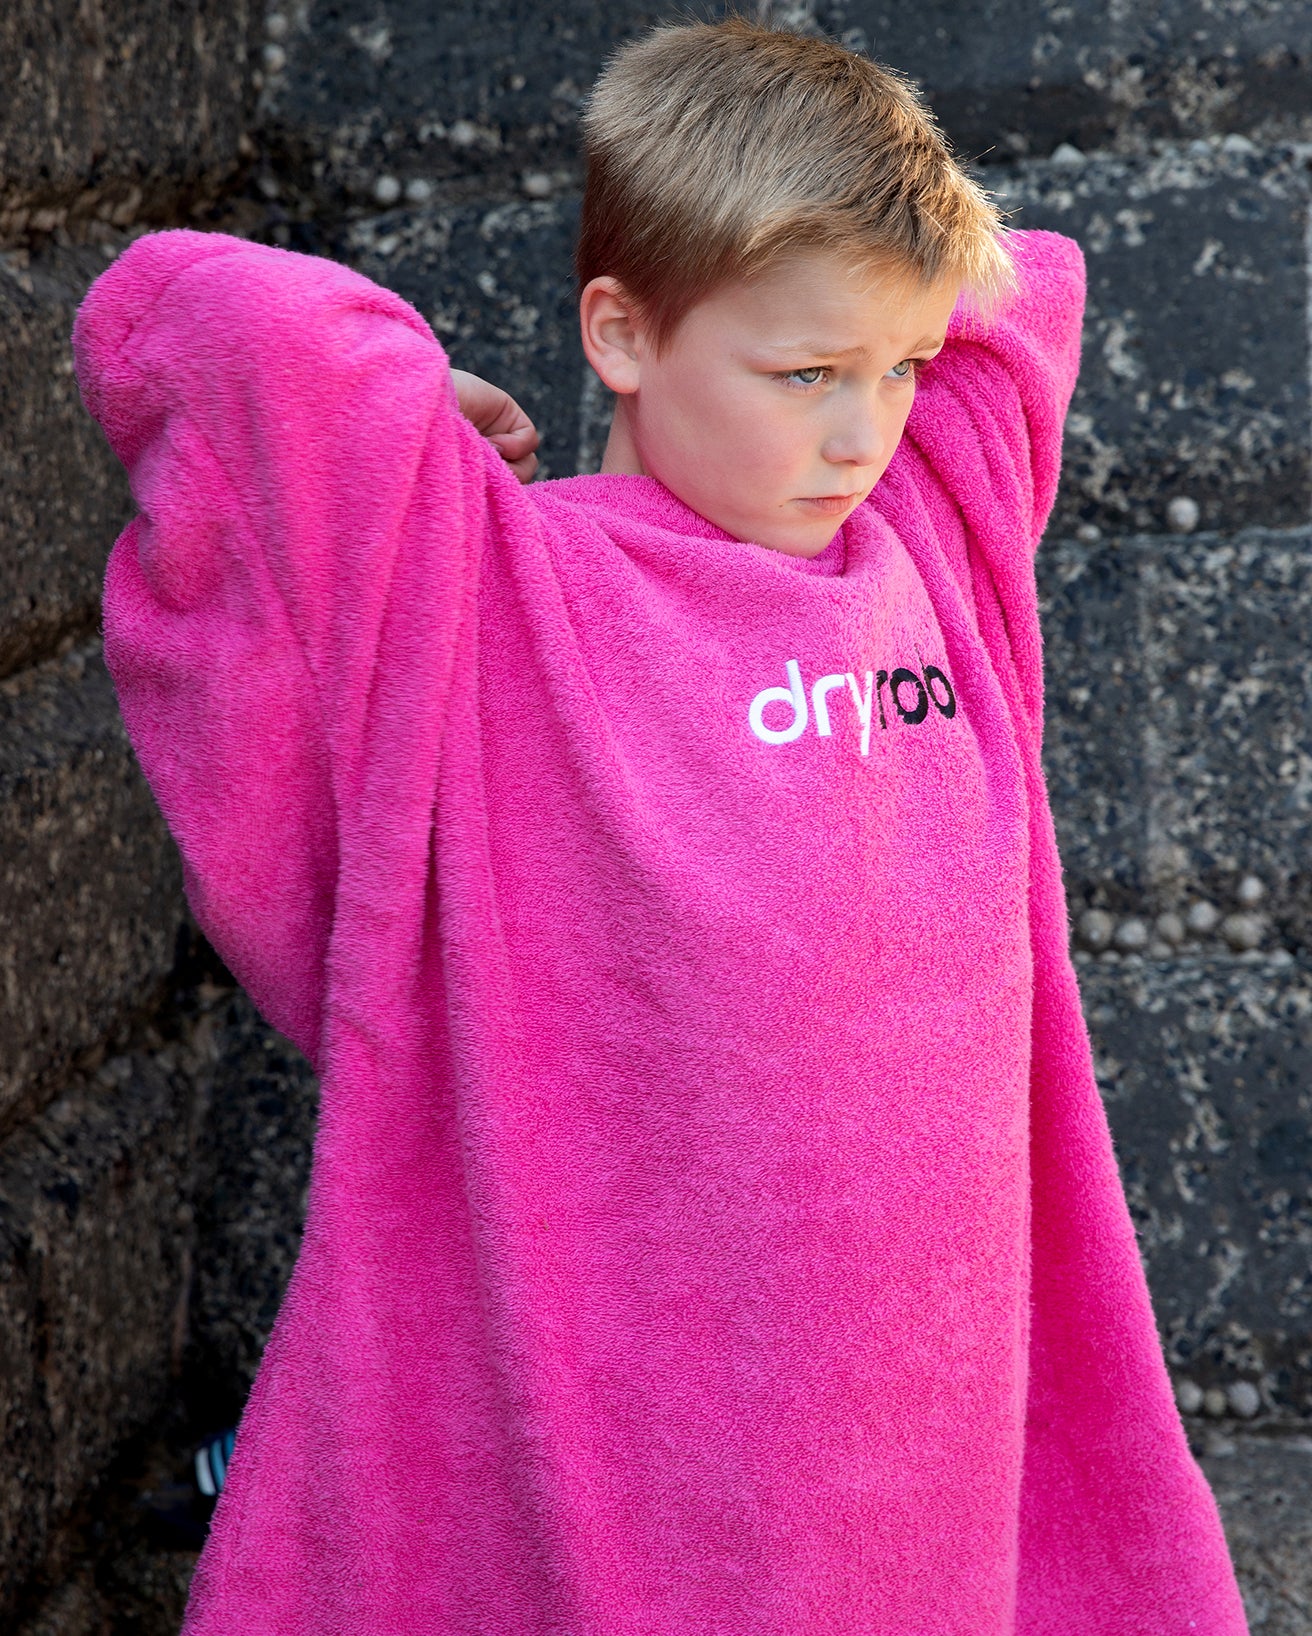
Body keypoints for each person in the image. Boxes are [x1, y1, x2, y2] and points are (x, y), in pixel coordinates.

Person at [72, 17, 1248, 1634]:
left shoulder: (933, 549)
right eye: (805, 376)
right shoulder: (503, 592)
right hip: (640, 1429)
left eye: (896, 371)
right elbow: (190, 322)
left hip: (921, 1436)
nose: (863, 433)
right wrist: (414, 400)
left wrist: (861, 295)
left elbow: (1020, 293)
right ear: (618, 334)